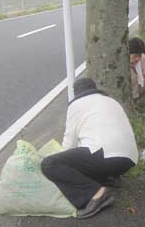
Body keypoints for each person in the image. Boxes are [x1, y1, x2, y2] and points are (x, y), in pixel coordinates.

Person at [41, 78, 138, 219]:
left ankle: (96, 195)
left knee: (50, 164)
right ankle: (109, 177)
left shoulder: (76, 105)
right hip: (129, 159)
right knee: (87, 155)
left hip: (105, 156)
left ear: (77, 93)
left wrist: (56, 159)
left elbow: (69, 144)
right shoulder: (112, 101)